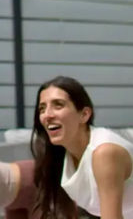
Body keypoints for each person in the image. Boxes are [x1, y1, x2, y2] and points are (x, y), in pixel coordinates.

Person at [31, 75, 133, 219]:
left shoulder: (104, 152)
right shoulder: (64, 155)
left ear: (84, 114)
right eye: (42, 108)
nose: (47, 115)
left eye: (58, 105)